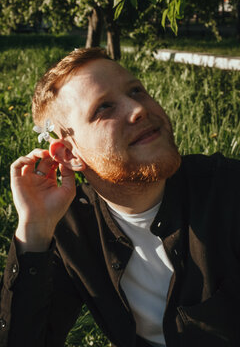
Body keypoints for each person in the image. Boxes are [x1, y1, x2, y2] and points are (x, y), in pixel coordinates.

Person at [0, 47, 239, 347]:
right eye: (104, 108)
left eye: (137, 90)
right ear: (69, 154)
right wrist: (34, 232)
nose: (138, 109)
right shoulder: (69, 226)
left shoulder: (228, 190)